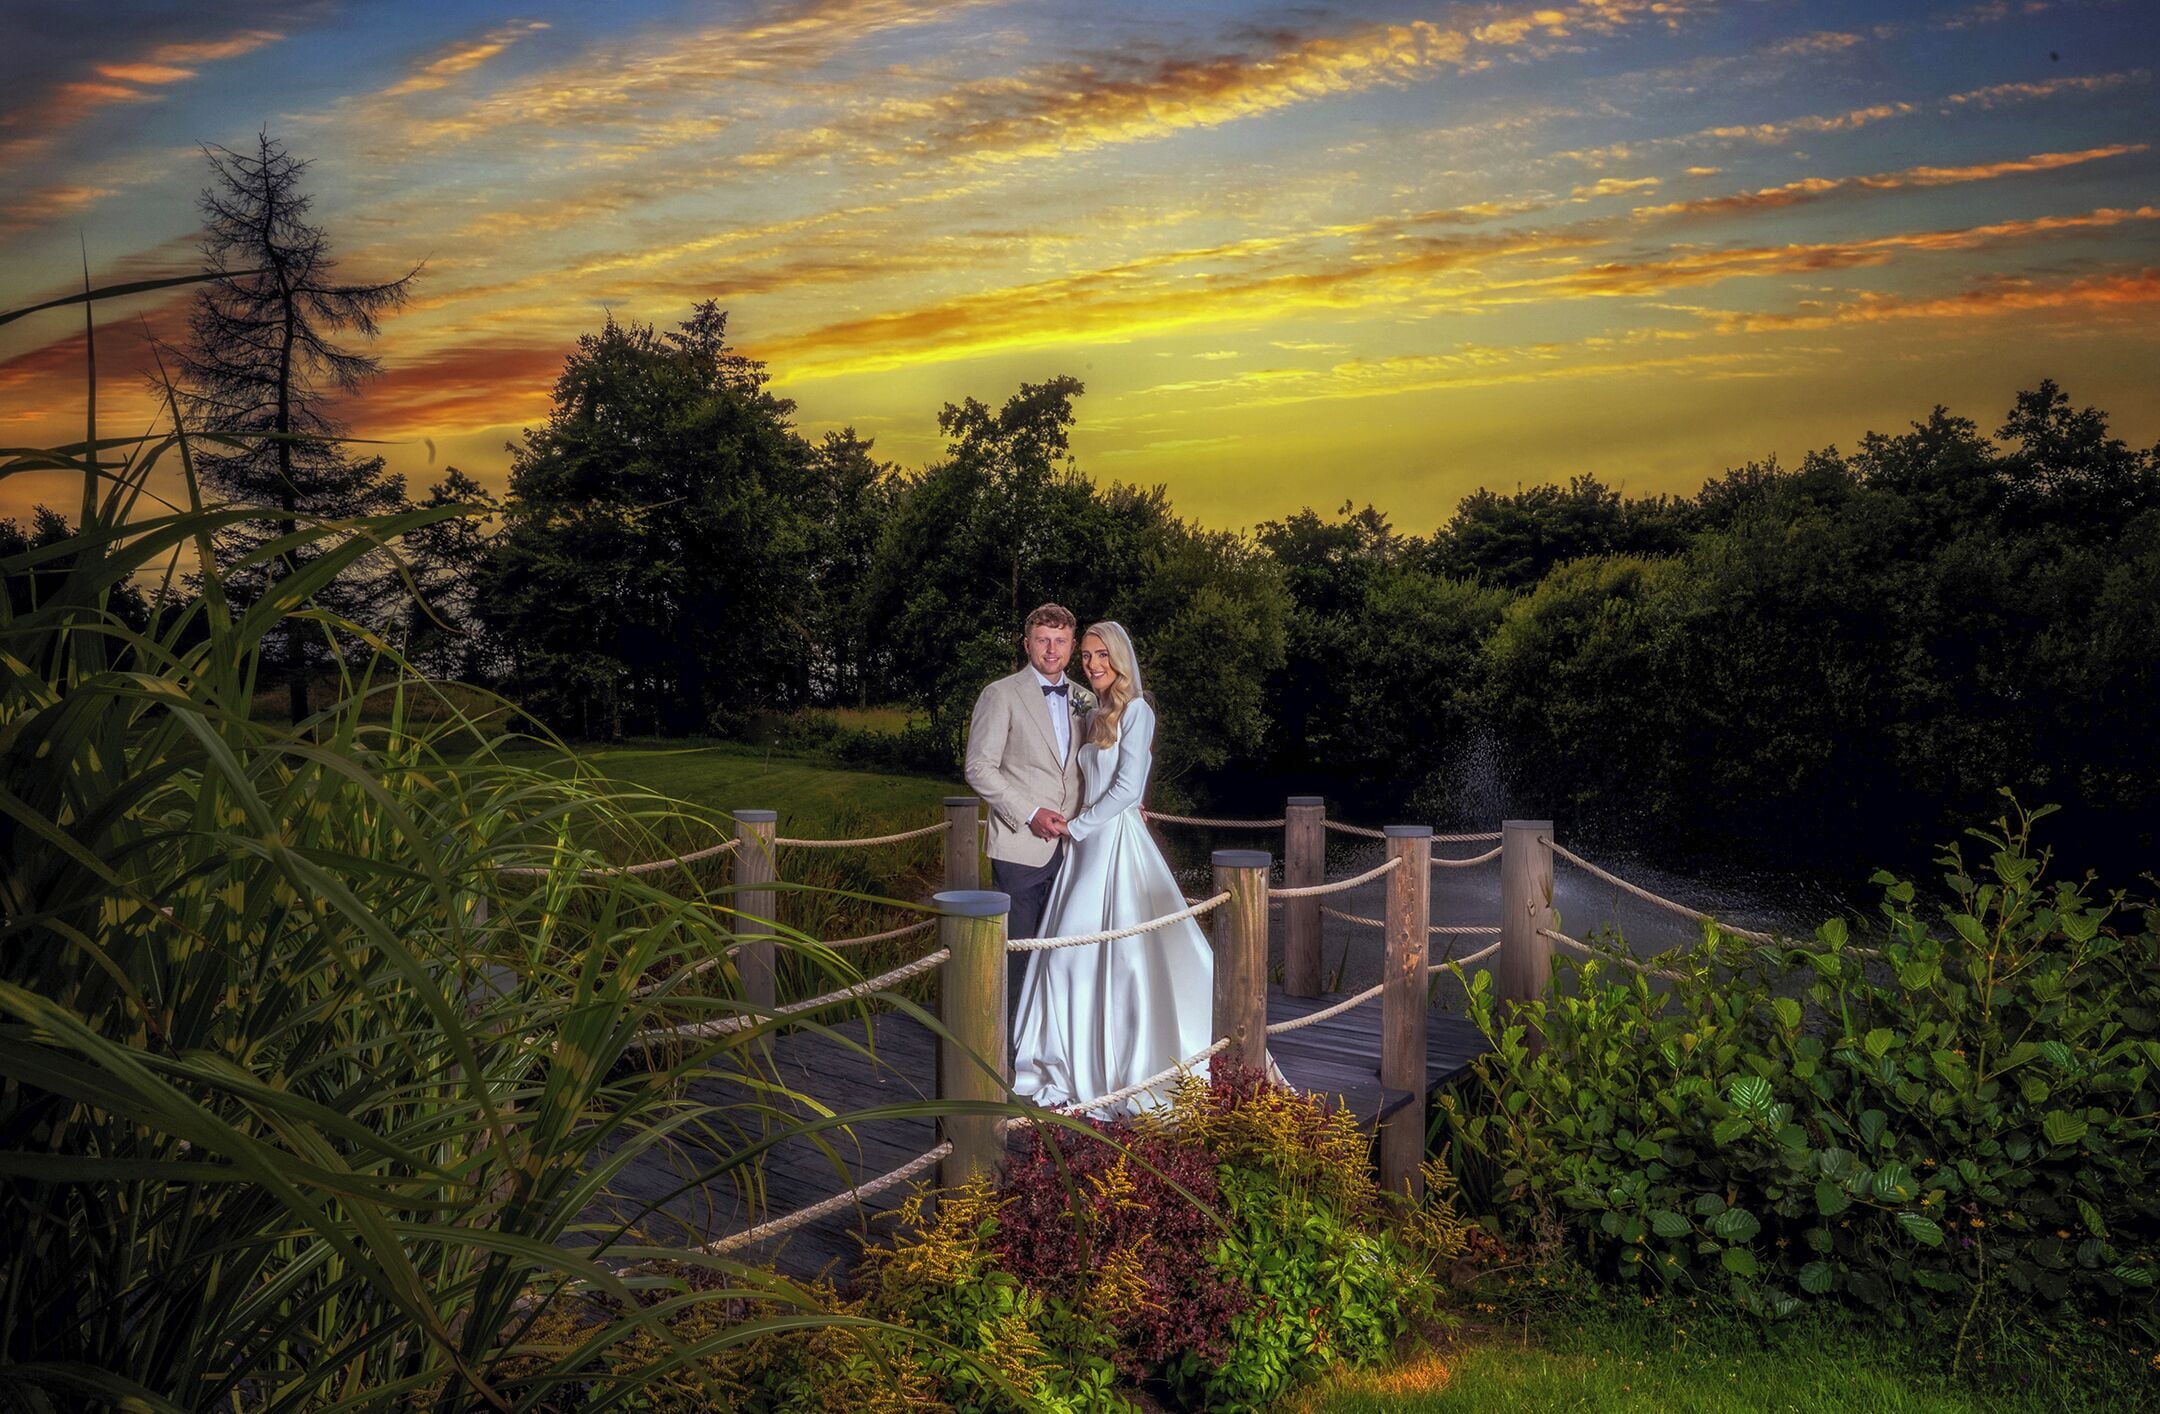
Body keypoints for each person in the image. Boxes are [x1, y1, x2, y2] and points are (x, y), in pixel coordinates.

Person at [1010, 620, 1276, 1117]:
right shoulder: (1094, 712)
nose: (1092, 665)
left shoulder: (1137, 712)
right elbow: (1087, 779)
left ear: (1120, 658)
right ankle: (1067, 1059)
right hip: (1085, 846)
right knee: (1069, 956)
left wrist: (1080, 826)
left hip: (1111, 843)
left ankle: (1120, 1064)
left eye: (1101, 655)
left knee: (1112, 955)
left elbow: (1129, 789)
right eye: (1086, 655)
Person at [963, 603, 1085, 941]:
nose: (1051, 650)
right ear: (1026, 643)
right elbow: (978, 767)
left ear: (1073, 647)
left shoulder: (1087, 700)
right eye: (1042, 639)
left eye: (1060, 641)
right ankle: (1011, 999)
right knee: (1015, 955)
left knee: (1061, 958)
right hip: (1019, 850)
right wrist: (1030, 813)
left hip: (1074, 851)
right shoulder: (999, 694)